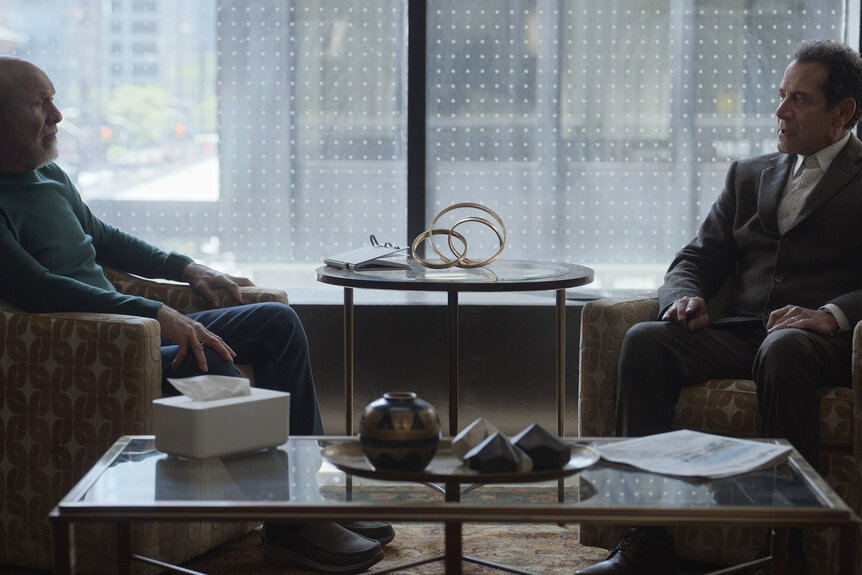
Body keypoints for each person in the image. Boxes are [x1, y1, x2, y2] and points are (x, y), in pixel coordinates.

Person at [0, 56, 392, 574]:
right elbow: (36, 289)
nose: (57, 115)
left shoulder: (49, 176)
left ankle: (306, 495)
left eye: (53, 100)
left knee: (276, 321)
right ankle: (290, 524)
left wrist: (188, 267)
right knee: (208, 361)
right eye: (39, 103)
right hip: (93, 351)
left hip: (138, 333)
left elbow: (104, 238)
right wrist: (155, 311)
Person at [575, 39, 862, 575]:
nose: (780, 111)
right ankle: (647, 538)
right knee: (646, 342)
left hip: (820, 344)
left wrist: (833, 313)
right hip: (743, 332)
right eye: (781, 95)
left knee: (784, 349)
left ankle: (786, 550)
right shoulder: (748, 175)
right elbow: (696, 258)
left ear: (842, 112)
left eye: (799, 99)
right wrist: (682, 297)